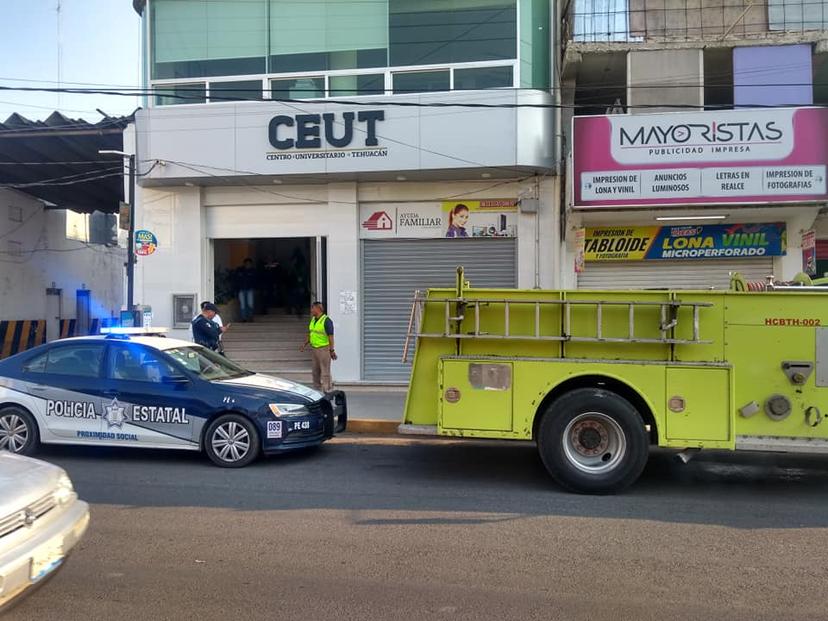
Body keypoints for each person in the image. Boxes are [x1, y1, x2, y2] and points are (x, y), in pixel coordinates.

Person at [300, 301, 337, 392]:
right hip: (314, 349)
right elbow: (311, 333)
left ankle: (327, 390)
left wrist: (331, 350)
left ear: (317, 309)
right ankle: (317, 389)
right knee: (315, 371)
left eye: (312, 308)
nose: (311, 310)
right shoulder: (313, 320)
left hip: (324, 349)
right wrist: (304, 344)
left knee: (325, 371)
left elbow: (331, 337)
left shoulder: (326, 321)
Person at [235, 258, 258, 322]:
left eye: (249, 264)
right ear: (244, 264)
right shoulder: (240, 270)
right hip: (241, 290)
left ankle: (250, 317)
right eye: (246, 263)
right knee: (242, 305)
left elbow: (256, 281)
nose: (248, 265)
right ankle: (244, 318)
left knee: (250, 304)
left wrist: (255, 288)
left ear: (251, 264)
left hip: (250, 289)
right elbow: (236, 280)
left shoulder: (253, 271)